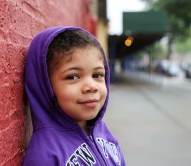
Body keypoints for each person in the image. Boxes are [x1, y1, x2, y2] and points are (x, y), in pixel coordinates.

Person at [23, 26, 125, 166]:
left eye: (97, 75)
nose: (91, 86)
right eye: (72, 77)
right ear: (46, 85)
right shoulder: (44, 155)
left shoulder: (105, 135)